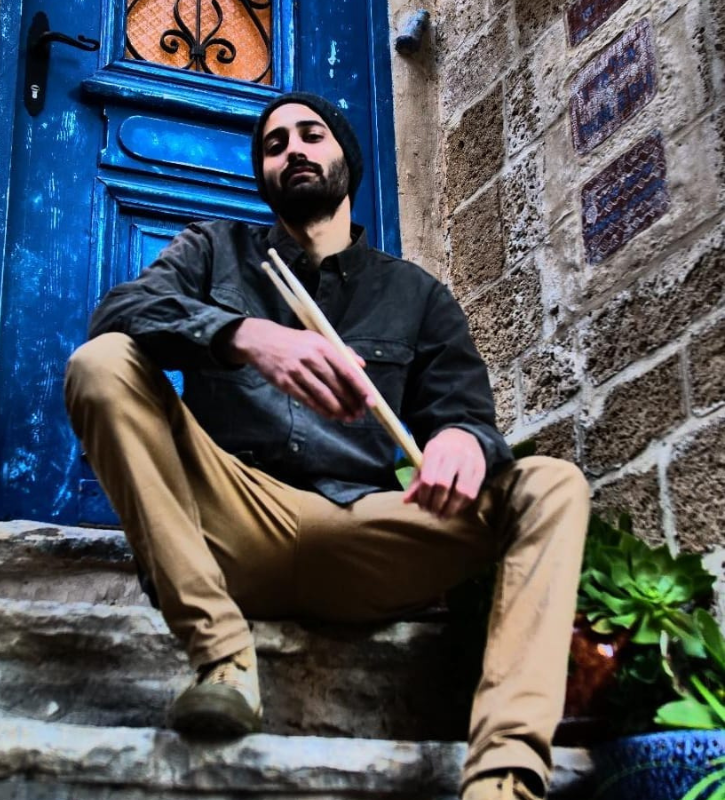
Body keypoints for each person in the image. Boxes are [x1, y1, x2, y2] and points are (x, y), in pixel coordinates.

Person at [64, 92, 590, 800]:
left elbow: (465, 410)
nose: (293, 151)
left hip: (365, 531)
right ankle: (223, 659)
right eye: (275, 145)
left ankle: (502, 779)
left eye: (311, 135)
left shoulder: (416, 294)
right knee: (100, 363)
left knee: (552, 484)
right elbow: (121, 312)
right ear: (264, 173)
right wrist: (244, 335)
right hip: (231, 525)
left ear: (347, 156)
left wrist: (464, 440)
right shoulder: (214, 250)